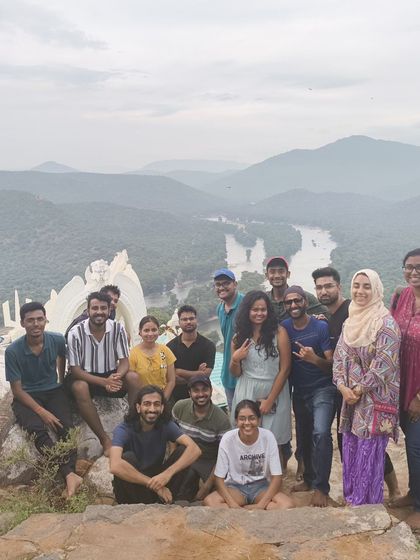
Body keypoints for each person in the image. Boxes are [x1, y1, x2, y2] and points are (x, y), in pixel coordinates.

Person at [313, 266, 400, 499]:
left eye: (367, 286)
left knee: (369, 454)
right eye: (357, 286)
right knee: (351, 450)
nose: (361, 291)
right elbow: (339, 359)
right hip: (350, 401)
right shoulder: (351, 321)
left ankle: (368, 506)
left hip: (375, 402)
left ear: (376, 289)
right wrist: (342, 387)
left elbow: (385, 364)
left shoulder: (386, 324)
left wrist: (358, 389)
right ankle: (353, 500)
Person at [5, 302, 82, 497]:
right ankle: (69, 474)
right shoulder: (13, 351)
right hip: (27, 396)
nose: (36, 324)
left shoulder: (56, 340)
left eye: (40, 319)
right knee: (38, 432)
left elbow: (62, 359)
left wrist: (61, 383)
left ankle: (70, 475)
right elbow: (17, 390)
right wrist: (41, 412)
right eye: (30, 320)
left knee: (66, 427)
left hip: (53, 390)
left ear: (45, 320)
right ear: (23, 323)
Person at [67, 291, 140, 457]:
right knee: (79, 387)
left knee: (133, 377)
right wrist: (104, 382)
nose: (99, 312)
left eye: (103, 308)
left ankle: (132, 425)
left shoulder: (117, 329)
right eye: (95, 308)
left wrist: (117, 376)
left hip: (109, 374)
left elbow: (124, 362)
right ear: (88, 310)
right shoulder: (75, 333)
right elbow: (75, 370)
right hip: (85, 376)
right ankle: (105, 440)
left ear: (109, 310)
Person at [282, 286, 335, 507]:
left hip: (323, 389)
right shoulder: (284, 327)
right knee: (304, 437)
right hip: (299, 392)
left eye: (297, 301)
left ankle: (322, 488)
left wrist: (314, 359)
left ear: (305, 302)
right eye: (289, 302)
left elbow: (332, 366)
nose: (293, 305)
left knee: (321, 434)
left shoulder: (320, 327)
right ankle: (310, 480)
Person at [110, 385, 202, 504]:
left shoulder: (165, 424)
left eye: (156, 404)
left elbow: (195, 449)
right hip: (133, 487)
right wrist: (153, 484)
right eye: (147, 404)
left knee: (183, 450)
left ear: (162, 408)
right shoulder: (124, 429)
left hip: (158, 478)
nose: (152, 409)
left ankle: (169, 501)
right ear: (138, 407)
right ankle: (150, 505)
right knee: (127, 457)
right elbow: (115, 465)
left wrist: (167, 474)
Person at [230, 291, 292, 468]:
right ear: (247, 311)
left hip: (275, 389)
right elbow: (235, 372)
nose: (259, 313)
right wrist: (236, 358)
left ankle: (276, 483)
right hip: (247, 389)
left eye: (263, 309)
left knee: (274, 440)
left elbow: (285, 369)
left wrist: (269, 400)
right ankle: (250, 480)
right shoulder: (239, 337)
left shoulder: (279, 333)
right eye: (255, 309)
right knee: (247, 438)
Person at [203, 399, 294, 510]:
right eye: (242, 419)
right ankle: (251, 510)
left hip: (261, 487)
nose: (247, 423)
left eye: (252, 418)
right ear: (236, 421)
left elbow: (277, 477)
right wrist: (232, 505)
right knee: (210, 501)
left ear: (259, 420)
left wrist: (260, 505)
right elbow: (219, 478)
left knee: (286, 504)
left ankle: (252, 508)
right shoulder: (228, 439)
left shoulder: (268, 437)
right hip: (235, 488)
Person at [391, 248, 420, 529]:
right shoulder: (401, 296)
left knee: (416, 446)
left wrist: (418, 398)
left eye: (419, 267)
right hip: (399, 387)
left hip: (418, 394)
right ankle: (413, 493)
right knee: (413, 448)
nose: (414, 272)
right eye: (409, 266)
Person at [172, 375, 231, 501]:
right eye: (196, 390)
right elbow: (172, 437)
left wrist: (206, 486)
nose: (201, 394)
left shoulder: (221, 420)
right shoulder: (179, 407)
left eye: (204, 389)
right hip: (185, 455)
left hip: (208, 459)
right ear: (189, 393)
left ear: (211, 391)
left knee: (218, 491)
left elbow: (223, 457)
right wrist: (173, 461)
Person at [167, 305, 216, 403]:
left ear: (196, 320)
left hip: (201, 397)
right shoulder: (170, 347)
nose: (188, 322)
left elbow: (205, 375)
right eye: (184, 319)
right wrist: (197, 373)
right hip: (177, 399)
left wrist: (179, 371)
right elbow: (172, 378)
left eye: (191, 318)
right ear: (179, 323)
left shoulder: (208, 345)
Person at [214, 268, 244, 410]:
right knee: (235, 416)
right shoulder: (220, 308)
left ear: (235, 284)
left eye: (226, 283)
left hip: (245, 372)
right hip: (228, 373)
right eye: (218, 284)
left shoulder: (246, 305)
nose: (222, 287)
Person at [266, 256, 327, 323]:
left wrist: (320, 318)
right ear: (267, 276)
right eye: (272, 272)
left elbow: (327, 314)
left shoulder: (302, 296)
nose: (277, 276)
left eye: (281, 271)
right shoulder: (264, 299)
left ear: (288, 274)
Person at [129, 315, 176, 401]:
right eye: (146, 330)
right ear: (140, 332)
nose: (150, 334)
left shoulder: (165, 350)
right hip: (142, 399)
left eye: (154, 330)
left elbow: (171, 380)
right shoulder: (133, 354)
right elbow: (132, 381)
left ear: (158, 331)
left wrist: (163, 401)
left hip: (163, 397)